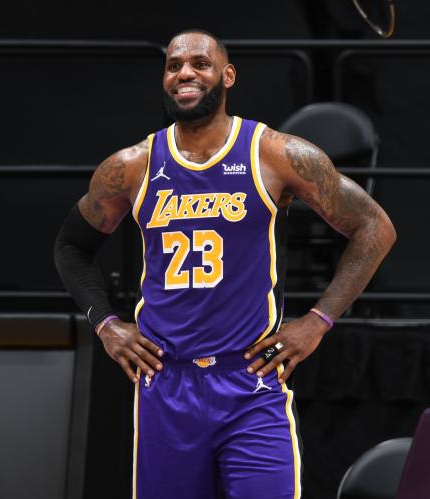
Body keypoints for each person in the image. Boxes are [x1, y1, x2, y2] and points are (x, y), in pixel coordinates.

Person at [54, 28, 396, 499]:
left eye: (200, 63)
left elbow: (375, 228)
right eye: (174, 66)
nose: (185, 74)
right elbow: (71, 246)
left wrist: (317, 322)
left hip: (250, 380)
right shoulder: (132, 166)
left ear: (228, 75)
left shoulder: (274, 153)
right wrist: (107, 324)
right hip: (166, 382)